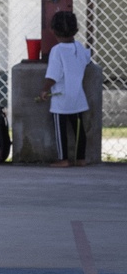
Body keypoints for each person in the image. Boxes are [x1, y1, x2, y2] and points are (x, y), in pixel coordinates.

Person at [38, 11, 91, 167]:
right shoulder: (80, 47)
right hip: (78, 96)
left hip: (61, 97)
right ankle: (81, 158)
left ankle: (63, 159)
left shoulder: (57, 51)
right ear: (76, 30)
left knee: (60, 130)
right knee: (79, 129)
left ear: (53, 31)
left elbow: (53, 75)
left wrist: (45, 89)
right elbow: (87, 59)